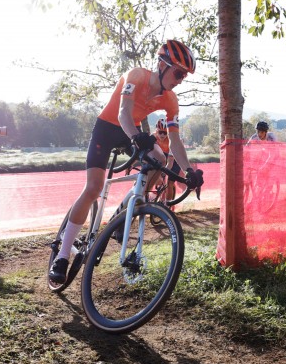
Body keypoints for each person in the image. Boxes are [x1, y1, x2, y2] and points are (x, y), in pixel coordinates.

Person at [48, 40, 205, 283]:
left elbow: (175, 140)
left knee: (159, 158)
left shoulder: (171, 101)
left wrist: (188, 170)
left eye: (184, 76)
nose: (181, 79)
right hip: (108, 128)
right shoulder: (137, 76)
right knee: (93, 188)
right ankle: (63, 253)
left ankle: (128, 208)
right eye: (179, 73)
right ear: (162, 66)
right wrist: (136, 137)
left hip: (129, 132)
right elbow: (123, 112)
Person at [148, 117, 182, 203]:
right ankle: (153, 196)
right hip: (163, 157)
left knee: (169, 183)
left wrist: (163, 172)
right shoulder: (153, 137)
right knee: (154, 176)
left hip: (175, 160)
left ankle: (167, 204)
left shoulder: (172, 140)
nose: (162, 135)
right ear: (156, 131)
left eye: (165, 133)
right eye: (160, 132)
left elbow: (170, 162)